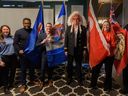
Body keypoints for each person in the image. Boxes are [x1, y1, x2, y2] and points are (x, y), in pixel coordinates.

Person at [90, 20, 116, 91]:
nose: (105, 26)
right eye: (104, 25)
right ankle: (93, 84)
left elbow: (114, 44)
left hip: (109, 56)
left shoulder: (112, 34)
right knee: (95, 69)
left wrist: (110, 45)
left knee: (108, 72)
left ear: (109, 26)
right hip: (101, 55)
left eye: (107, 25)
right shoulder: (100, 34)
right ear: (102, 26)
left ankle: (107, 87)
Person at [14, 18, 37, 93]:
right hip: (23, 55)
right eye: (25, 23)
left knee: (32, 69)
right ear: (23, 23)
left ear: (30, 23)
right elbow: (15, 43)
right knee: (23, 70)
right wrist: (19, 50)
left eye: (28, 23)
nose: (27, 24)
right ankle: (23, 84)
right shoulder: (18, 32)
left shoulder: (33, 32)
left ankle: (32, 80)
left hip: (32, 54)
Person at [64, 11, 87, 85]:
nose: (76, 20)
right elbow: (66, 39)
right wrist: (65, 49)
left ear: (79, 20)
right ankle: (69, 78)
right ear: (71, 20)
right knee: (69, 66)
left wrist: (84, 49)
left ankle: (79, 79)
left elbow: (85, 40)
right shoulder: (68, 28)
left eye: (77, 19)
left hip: (79, 50)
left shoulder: (83, 28)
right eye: (74, 19)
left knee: (78, 66)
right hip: (70, 50)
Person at [37, 23, 55, 89]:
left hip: (52, 53)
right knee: (43, 68)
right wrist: (43, 42)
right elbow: (36, 45)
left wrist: (53, 41)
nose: (48, 28)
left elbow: (58, 44)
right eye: (47, 27)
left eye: (50, 27)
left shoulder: (54, 35)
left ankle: (50, 79)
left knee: (51, 67)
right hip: (44, 53)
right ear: (45, 28)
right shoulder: (41, 35)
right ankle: (42, 81)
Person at [0, 25, 17, 94]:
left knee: (13, 71)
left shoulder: (12, 37)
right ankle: (5, 87)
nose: (6, 30)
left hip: (13, 57)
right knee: (5, 73)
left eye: (7, 29)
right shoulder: (0, 39)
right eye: (4, 29)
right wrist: (0, 61)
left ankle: (11, 83)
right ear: (1, 30)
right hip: (4, 57)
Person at [120, 24, 128, 94]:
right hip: (126, 53)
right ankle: (125, 87)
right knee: (125, 71)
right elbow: (121, 34)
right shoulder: (126, 27)